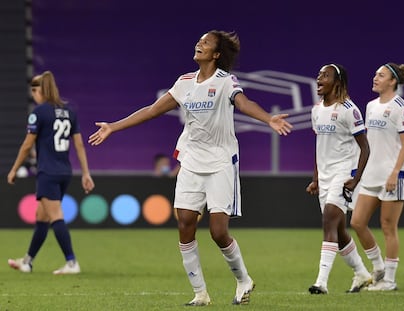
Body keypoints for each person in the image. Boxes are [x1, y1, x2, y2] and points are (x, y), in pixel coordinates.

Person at [88, 30, 292, 305]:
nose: (199, 44)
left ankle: (243, 279)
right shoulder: (184, 83)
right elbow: (151, 110)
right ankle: (200, 293)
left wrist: (268, 119)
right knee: (185, 223)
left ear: (216, 54)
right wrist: (114, 126)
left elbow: (244, 103)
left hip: (221, 161)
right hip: (191, 161)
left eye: (206, 43)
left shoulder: (225, 81)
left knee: (218, 231)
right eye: (199, 41)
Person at [7, 71, 95, 274]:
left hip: (48, 172)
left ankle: (72, 263)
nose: (33, 94)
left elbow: (27, 144)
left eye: (34, 90)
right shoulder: (69, 111)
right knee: (42, 216)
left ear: (42, 90)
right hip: (64, 172)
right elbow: (79, 144)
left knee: (55, 216)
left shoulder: (39, 112)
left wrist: (14, 169)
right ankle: (27, 261)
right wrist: (85, 173)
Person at [306, 64, 372, 294]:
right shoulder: (316, 110)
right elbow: (319, 147)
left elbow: (365, 148)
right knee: (339, 231)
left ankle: (321, 282)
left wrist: (356, 179)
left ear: (337, 82)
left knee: (328, 221)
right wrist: (315, 178)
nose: (319, 78)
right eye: (319, 75)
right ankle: (362, 273)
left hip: (344, 174)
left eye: (325, 75)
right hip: (324, 177)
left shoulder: (348, 110)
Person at [350, 63, 404, 291]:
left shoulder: (401, 108)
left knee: (388, 227)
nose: (375, 77)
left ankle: (390, 281)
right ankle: (378, 268)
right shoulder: (370, 106)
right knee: (357, 222)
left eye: (381, 75)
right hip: (371, 175)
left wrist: (395, 173)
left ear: (393, 81)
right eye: (375, 73)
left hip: (392, 176)